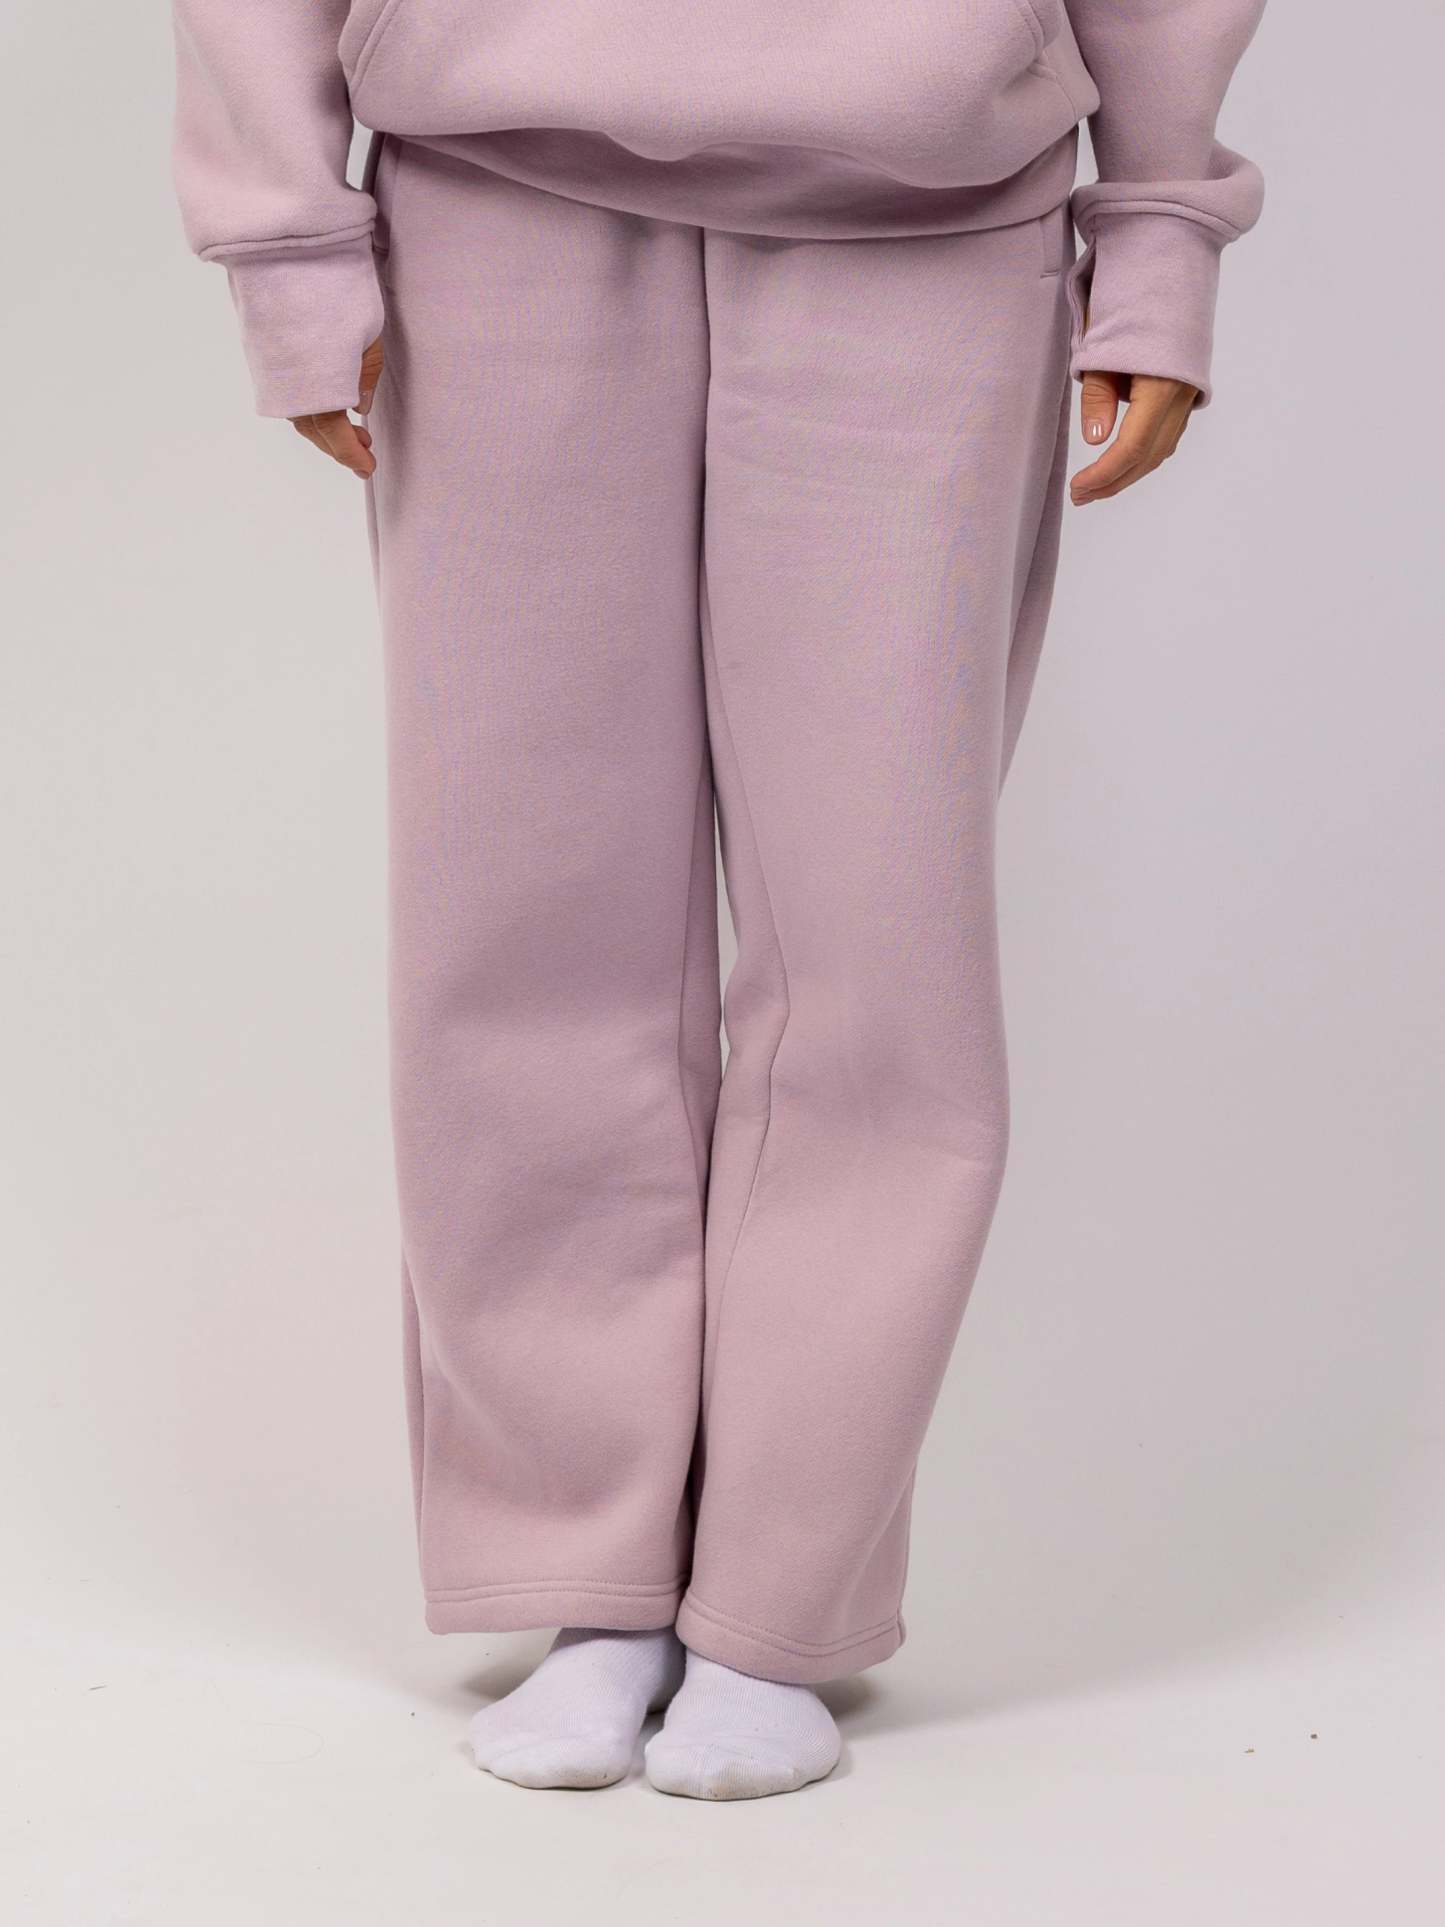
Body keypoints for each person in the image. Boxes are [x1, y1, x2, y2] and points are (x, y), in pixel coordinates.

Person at [172, 1, 1265, 1800]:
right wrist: (287, 229)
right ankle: (588, 1574)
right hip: (490, 187)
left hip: (932, 199)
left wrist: (1156, 222)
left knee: (877, 953)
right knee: (517, 925)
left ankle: (775, 1603)